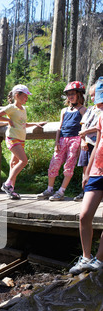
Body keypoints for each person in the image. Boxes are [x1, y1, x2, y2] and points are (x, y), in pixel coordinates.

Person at [69, 78, 103, 275]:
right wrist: (88, 171)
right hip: (97, 170)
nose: (98, 105)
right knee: (84, 216)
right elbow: (97, 143)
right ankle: (86, 257)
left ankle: (99, 259)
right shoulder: (100, 116)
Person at [0, 84, 46, 200]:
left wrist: (36, 124)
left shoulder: (23, 109)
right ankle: (7, 184)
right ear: (17, 95)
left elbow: (23, 125)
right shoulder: (11, 108)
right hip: (12, 138)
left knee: (14, 164)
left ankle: (11, 189)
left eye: (27, 97)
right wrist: (8, 120)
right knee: (24, 161)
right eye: (25, 96)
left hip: (21, 139)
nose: (26, 99)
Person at [37, 81, 87, 201]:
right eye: (68, 94)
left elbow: (84, 126)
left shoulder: (82, 109)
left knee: (69, 165)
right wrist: (56, 142)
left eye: (73, 94)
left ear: (79, 94)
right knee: (54, 163)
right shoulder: (64, 110)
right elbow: (60, 127)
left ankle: (61, 191)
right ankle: (49, 189)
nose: (70, 96)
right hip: (62, 139)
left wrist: (82, 141)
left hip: (75, 139)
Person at [74, 84, 103, 201]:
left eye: (95, 95)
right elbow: (83, 124)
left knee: (96, 166)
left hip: (97, 142)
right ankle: (85, 190)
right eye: (91, 96)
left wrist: (86, 131)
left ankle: (96, 191)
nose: (93, 98)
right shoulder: (90, 109)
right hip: (87, 141)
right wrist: (83, 140)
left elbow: (98, 127)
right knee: (85, 166)